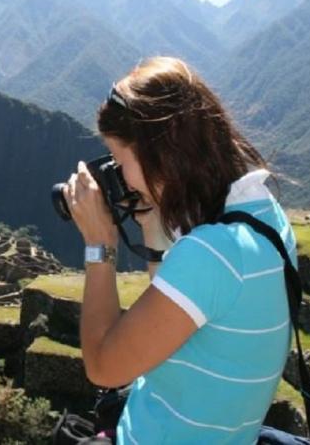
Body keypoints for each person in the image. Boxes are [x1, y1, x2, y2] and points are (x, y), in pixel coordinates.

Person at [63, 57, 296, 444]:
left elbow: (104, 367)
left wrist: (99, 246)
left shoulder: (212, 254)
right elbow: (184, 324)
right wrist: (153, 230)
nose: (123, 181)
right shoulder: (263, 216)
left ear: (158, 155)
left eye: (121, 162)